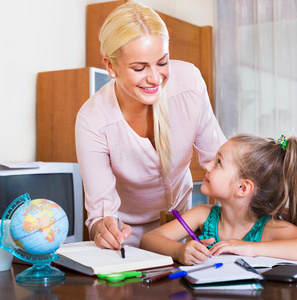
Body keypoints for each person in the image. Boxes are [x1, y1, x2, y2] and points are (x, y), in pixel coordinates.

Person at [75, 1, 226, 249]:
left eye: (162, 62)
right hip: (129, 240)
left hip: (183, 225)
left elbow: (219, 160)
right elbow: (100, 213)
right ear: (110, 66)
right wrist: (103, 229)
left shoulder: (189, 83)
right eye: (139, 67)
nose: (155, 78)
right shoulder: (93, 121)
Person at [140, 134, 297, 265]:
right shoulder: (204, 215)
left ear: (243, 187)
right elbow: (148, 240)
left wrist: (251, 248)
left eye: (218, 162)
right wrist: (179, 250)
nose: (207, 166)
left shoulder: (268, 228)